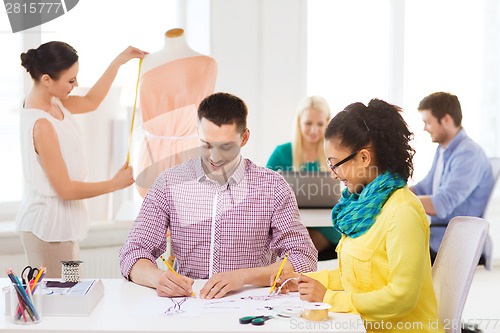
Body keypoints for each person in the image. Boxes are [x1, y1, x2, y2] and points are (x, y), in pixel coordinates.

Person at [119, 92, 318, 299]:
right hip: (189, 305)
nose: (214, 157)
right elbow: (132, 252)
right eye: (206, 145)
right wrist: (157, 278)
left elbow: (303, 257)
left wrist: (243, 277)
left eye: (226, 147)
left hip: (250, 308)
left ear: (244, 138)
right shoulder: (169, 183)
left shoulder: (273, 187)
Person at [275, 99, 444, 333]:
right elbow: (356, 277)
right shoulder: (362, 208)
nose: (334, 175)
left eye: (335, 164)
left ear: (364, 158)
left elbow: (402, 297)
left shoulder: (403, 211)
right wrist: (305, 280)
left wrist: (330, 298)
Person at [16, 41, 147, 278]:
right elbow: (65, 189)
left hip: (62, 227)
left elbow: (91, 101)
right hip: (48, 231)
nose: (75, 85)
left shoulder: (52, 103)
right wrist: (113, 185)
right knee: (60, 304)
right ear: (46, 80)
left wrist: (118, 62)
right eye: (70, 80)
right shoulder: (41, 125)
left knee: (68, 297)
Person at [410, 92, 494, 263]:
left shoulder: (468, 154)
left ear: (446, 120)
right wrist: (394, 191)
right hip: (440, 234)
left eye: (427, 122)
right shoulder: (444, 150)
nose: (425, 128)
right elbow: (424, 187)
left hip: (454, 242)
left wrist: (401, 200)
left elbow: (442, 204)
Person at [136, 28, 217, 197]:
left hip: (189, 151)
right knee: (154, 215)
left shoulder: (207, 64)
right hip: (153, 152)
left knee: (190, 212)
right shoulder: (146, 61)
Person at [266, 96, 341, 259]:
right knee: (294, 236)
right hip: (289, 222)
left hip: (326, 226)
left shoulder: (334, 153)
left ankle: (294, 264)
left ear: (327, 123)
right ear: (299, 122)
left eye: (320, 124)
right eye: (308, 123)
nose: (314, 130)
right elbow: (263, 189)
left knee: (307, 240)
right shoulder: (282, 153)